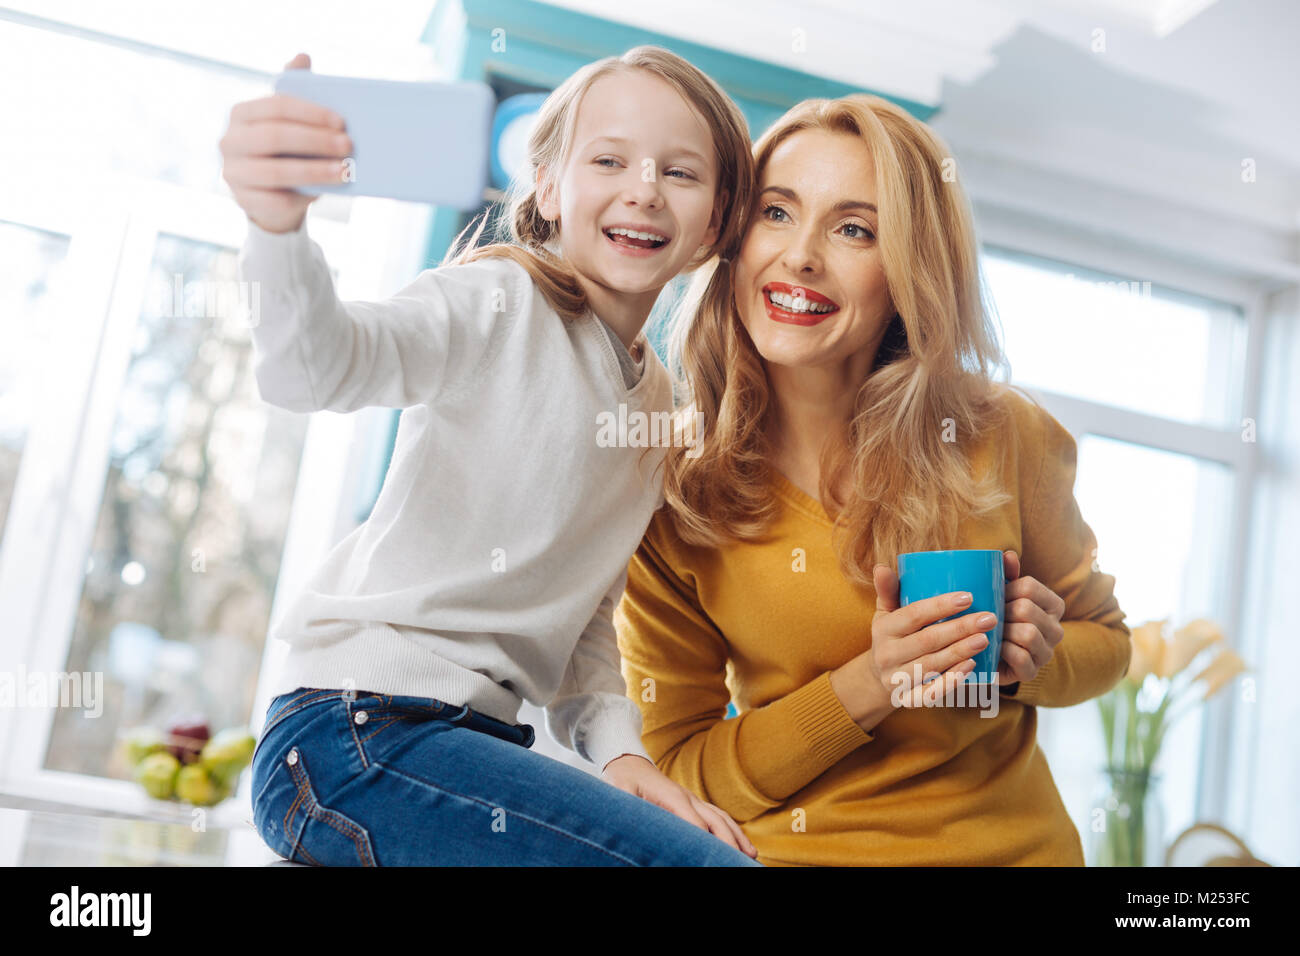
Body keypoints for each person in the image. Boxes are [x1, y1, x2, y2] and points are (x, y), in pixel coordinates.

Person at [221, 46, 762, 865]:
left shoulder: (658, 411)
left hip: (468, 743)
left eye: (680, 173)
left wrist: (623, 755)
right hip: (353, 736)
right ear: (548, 186)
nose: (644, 188)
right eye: (609, 159)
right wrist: (276, 226)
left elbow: (585, 621)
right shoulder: (497, 301)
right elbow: (317, 366)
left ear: (717, 222)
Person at [614, 93, 1132, 866]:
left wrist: (1031, 661)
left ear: (910, 270)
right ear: (732, 239)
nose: (801, 257)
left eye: (855, 229)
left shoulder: (1000, 434)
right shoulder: (671, 487)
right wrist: (872, 682)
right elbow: (679, 771)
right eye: (777, 213)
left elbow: (1108, 644)